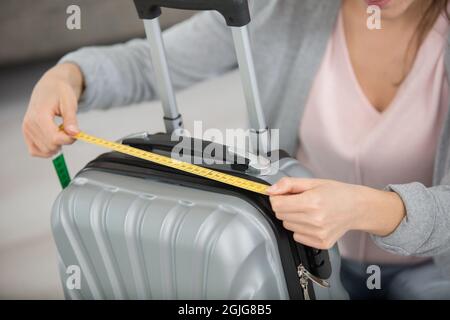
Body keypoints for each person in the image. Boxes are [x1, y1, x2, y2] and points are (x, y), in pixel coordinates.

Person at [22, 0, 450, 299]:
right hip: (305, 262)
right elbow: (149, 62)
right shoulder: (279, 8)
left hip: (435, 271)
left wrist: (364, 209)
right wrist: (66, 77)